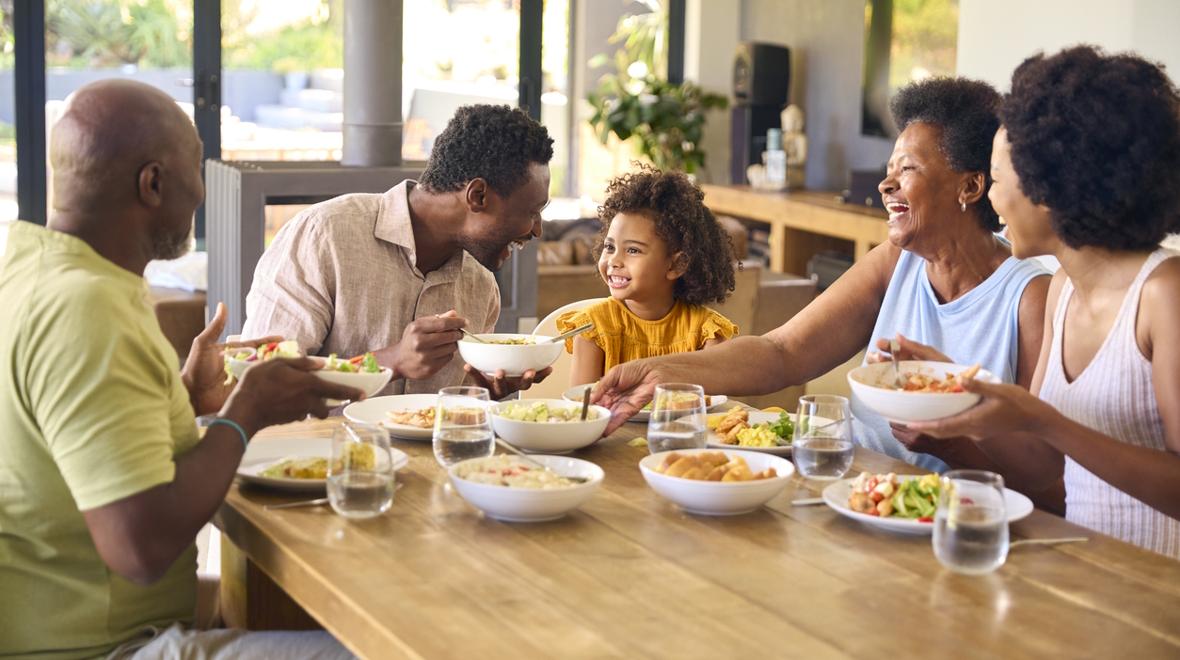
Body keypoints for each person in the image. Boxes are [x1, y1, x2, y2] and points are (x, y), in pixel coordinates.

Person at [0, 79, 360, 658]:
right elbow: (139, 552)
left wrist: (185, 401)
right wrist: (247, 412)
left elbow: (66, 438)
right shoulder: (87, 308)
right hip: (103, 645)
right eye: (197, 166)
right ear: (153, 183)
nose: (200, 192)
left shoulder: (27, 270)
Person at [592, 77, 1052, 486]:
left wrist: (952, 443)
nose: (886, 186)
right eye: (889, 171)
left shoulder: (1029, 295)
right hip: (847, 479)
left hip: (949, 505)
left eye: (907, 169)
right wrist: (663, 372)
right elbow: (783, 352)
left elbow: (1045, 476)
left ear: (969, 188)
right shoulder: (897, 261)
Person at [905, 46, 1180, 558]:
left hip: (1160, 593)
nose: (989, 197)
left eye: (1000, 179)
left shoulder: (1164, 293)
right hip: (1085, 570)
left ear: (1051, 187)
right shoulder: (1063, 291)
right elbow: (1047, 464)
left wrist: (1043, 419)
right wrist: (961, 391)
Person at [243, 104, 554, 399]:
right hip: (320, 452)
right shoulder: (325, 235)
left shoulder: (481, 286)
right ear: (478, 196)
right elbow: (259, 379)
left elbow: (457, 418)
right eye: (532, 211)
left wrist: (488, 393)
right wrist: (390, 361)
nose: (537, 230)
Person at [557, 166, 739, 385]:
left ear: (676, 265)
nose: (614, 260)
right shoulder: (593, 327)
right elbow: (582, 409)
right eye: (610, 247)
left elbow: (707, 407)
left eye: (633, 250)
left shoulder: (707, 332)